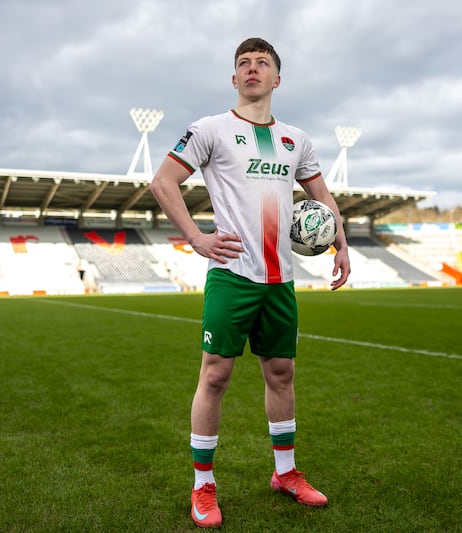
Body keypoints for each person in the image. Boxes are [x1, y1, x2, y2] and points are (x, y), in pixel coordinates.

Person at [150, 37, 351, 529]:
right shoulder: (210, 130)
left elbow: (321, 195)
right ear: (234, 78)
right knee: (215, 376)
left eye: (263, 63)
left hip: (279, 280)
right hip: (232, 275)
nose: (253, 69)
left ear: (277, 78)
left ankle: (285, 474)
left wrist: (340, 242)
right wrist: (196, 237)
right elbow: (162, 182)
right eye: (244, 63)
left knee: (281, 373)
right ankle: (202, 486)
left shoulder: (296, 139)